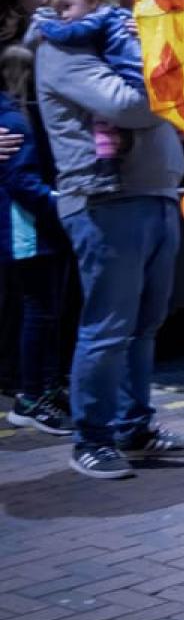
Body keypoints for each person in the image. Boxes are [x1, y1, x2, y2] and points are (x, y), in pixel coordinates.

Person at [35, 0, 184, 480]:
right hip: (106, 201)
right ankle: (93, 436)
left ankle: (135, 425)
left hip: (152, 193)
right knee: (108, 326)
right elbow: (129, 105)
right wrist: (165, 74)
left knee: (145, 324)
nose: (137, 5)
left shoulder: (111, 37)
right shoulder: (64, 47)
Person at [0, 63, 68, 434]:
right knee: (39, 310)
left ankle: (46, 386)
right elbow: (23, 182)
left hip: (36, 227)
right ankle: (31, 395)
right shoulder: (14, 119)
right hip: (27, 229)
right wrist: (65, 202)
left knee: (47, 311)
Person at [44, 0, 142, 191]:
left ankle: (108, 171)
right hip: (136, 77)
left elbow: (72, 33)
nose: (62, 15)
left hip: (133, 77)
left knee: (102, 122)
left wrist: (46, 26)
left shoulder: (102, 17)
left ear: (92, 1)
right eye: (58, 11)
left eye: (67, 7)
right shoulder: (120, 17)